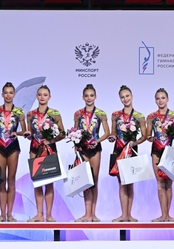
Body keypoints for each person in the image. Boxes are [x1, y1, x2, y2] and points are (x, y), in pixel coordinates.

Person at [26, 85, 65, 222]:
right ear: (36, 96)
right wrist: (28, 135)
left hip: (49, 149)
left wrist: (51, 140)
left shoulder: (55, 113)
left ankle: (49, 215)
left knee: (49, 183)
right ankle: (39, 214)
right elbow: (30, 133)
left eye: (45, 95)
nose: (42, 97)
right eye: (40, 94)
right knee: (37, 182)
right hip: (35, 149)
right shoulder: (30, 114)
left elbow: (63, 133)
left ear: (50, 97)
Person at [146, 88, 174, 222]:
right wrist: (150, 138)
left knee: (169, 183)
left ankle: (168, 215)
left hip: (169, 151)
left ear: (167, 99)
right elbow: (148, 135)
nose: (160, 101)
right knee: (160, 183)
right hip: (156, 151)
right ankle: (163, 215)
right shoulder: (151, 117)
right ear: (155, 101)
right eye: (158, 98)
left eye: (163, 98)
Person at [109, 85, 146, 222]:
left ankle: (129, 215)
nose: (125, 99)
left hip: (132, 150)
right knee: (121, 183)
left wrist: (134, 143)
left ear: (132, 96)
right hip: (119, 150)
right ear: (120, 99)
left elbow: (144, 135)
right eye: (122, 97)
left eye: (127, 96)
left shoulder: (139, 116)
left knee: (130, 182)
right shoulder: (115, 115)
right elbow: (113, 132)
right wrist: (112, 137)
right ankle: (123, 214)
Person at [73, 84, 110, 222]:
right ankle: (86, 213)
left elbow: (107, 132)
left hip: (95, 149)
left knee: (94, 180)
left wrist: (97, 140)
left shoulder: (101, 113)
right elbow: (74, 132)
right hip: (82, 149)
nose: (89, 98)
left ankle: (93, 214)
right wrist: (76, 145)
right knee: (85, 181)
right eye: (86, 96)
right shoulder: (78, 113)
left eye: (91, 95)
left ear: (96, 97)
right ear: (83, 97)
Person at [0, 82, 26, 222]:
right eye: (6, 92)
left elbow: (24, 131)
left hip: (12, 146)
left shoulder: (19, 111)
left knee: (11, 180)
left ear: (14, 95)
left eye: (10, 92)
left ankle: (10, 214)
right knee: (1, 180)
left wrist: (16, 133)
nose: (8, 95)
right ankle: (2, 214)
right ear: (2, 94)